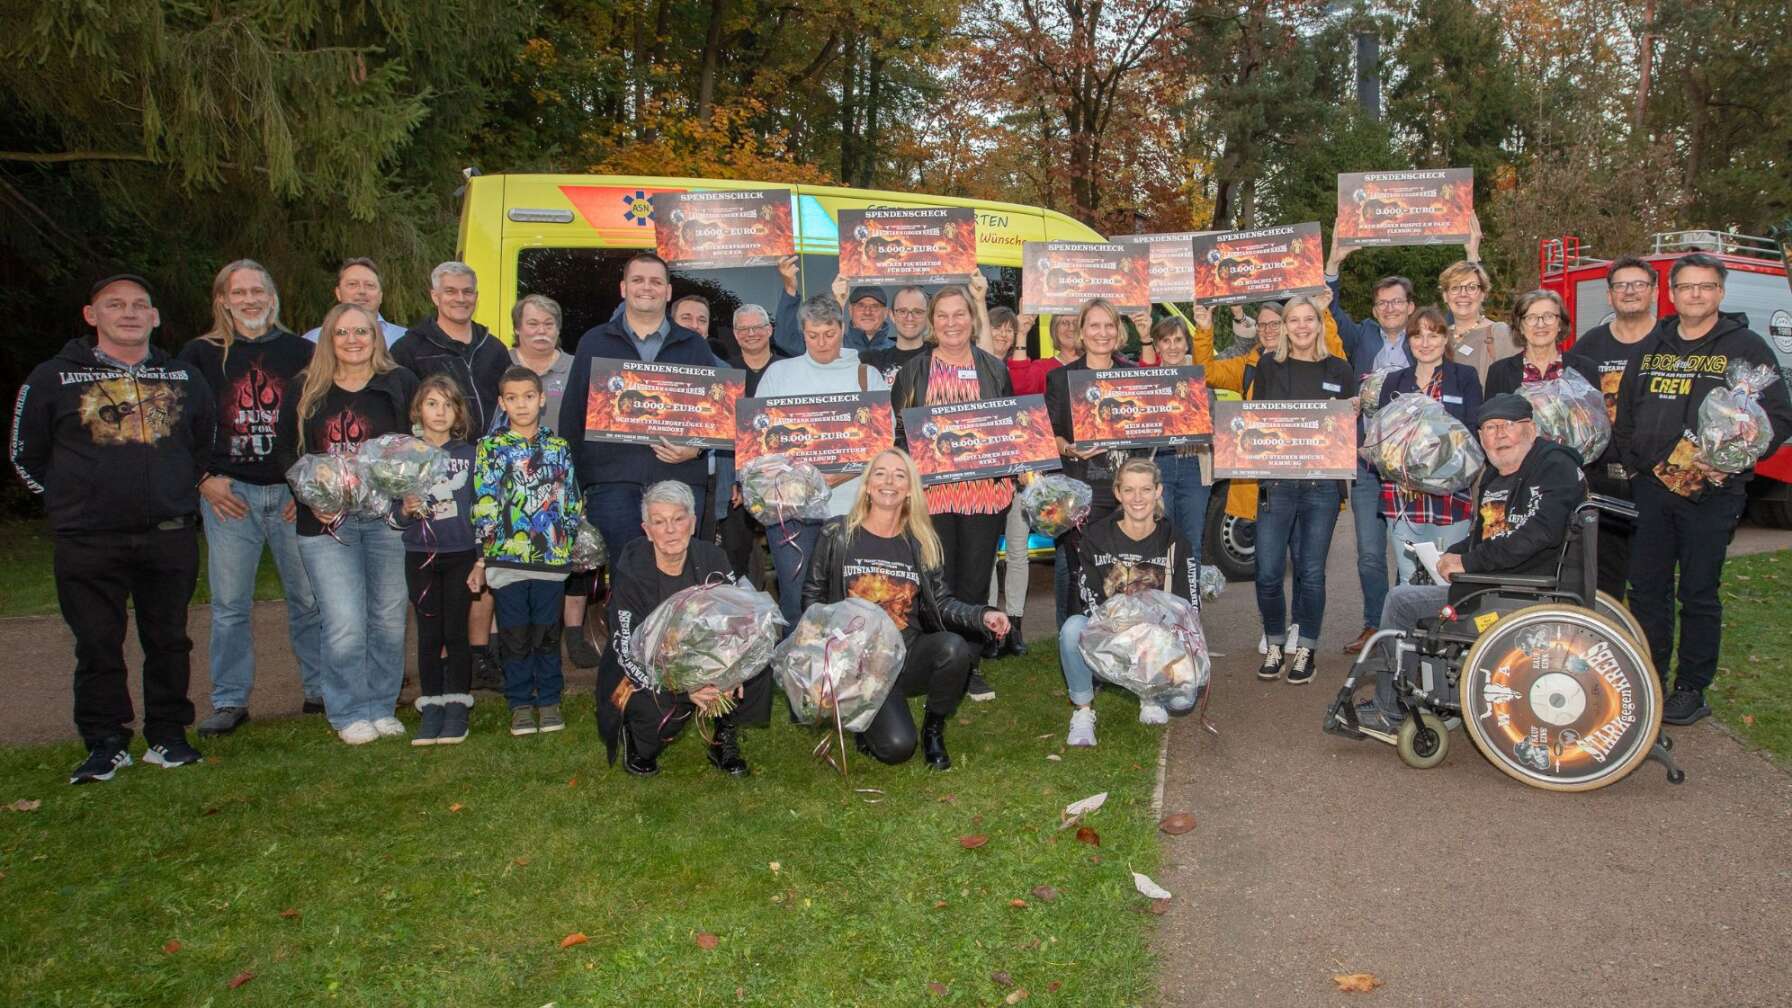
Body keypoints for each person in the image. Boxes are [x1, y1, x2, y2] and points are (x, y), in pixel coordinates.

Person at [11, 274, 217, 782]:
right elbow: (25, 454)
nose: (128, 313)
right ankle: (105, 741)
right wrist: (67, 503)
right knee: (97, 642)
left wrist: (178, 492)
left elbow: (204, 442)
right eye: (115, 305)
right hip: (87, 538)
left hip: (167, 534)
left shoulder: (183, 377)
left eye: (139, 305)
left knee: (169, 639)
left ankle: (168, 735)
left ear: (154, 318)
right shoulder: (52, 378)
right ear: (91, 314)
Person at [1615, 252, 1792, 725]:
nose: (1696, 294)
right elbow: (1627, 411)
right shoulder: (1652, 346)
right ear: (1671, 294)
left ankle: (1691, 687)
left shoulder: (1747, 347)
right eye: (1687, 287)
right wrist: (1638, 467)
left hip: (1714, 493)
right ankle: (1650, 674)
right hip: (1652, 490)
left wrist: (1728, 460)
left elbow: (1776, 416)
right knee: (1648, 588)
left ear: (1720, 292)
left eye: (1706, 286)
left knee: (1697, 592)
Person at [1357, 393, 1588, 731]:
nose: (1498, 435)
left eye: (1507, 426)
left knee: (1402, 602)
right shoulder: (1496, 475)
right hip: (1493, 581)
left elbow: (1540, 535)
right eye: (1489, 429)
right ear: (1480, 438)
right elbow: (1485, 534)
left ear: (1531, 429)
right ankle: (1429, 695)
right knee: (1415, 592)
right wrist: (1456, 553)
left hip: (1524, 591)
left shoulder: (1555, 467)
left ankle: (1389, 710)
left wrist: (1469, 561)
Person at [178, 259, 324, 734]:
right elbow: (178, 424)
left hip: (287, 492)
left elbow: (316, 423)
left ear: (272, 296)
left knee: (307, 598)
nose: (250, 300)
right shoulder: (199, 355)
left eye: (258, 290)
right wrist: (203, 478)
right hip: (229, 494)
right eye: (238, 292)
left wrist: (303, 485)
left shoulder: (301, 351)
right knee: (229, 603)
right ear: (222, 299)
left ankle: (320, 689)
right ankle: (229, 700)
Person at [802, 449, 1009, 769]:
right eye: (880, 473)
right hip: (858, 660)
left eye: (900, 475)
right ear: (867, 484)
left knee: (954, 648)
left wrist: (982, 615)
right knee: (897, 748)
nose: (889, 481)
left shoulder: (921, 541)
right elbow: (813, 598)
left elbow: (941, 602)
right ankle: (862, 716)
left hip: (906, 654)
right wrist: (822, 656)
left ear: (910, 489)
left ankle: (934, 729)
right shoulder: (837, 533)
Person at [276, 302, 418, 745]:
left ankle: (380, 704)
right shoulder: (305, 390)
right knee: (343, 621)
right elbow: (286, 454)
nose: (353, 340)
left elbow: (413, 447)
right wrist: (311, 496)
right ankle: (347, 710)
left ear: (376, 337)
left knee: (389, 618)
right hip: (326, 524)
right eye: (343, 333)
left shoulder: (398, 383)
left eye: (363, 332)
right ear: (327, 339)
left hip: (385, 520)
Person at [597, 481, 771, 777]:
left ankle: (723, 737)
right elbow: (627, 650)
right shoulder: (631, 567)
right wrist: (686, 688)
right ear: (647, 529)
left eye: (678, 519)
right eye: (659, 522)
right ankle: (639, 738)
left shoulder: (712, 558)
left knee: (758, 669)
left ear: (692, 524)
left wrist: (733, 671)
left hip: (703, 657)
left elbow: (738, 623)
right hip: (645, 663)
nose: (670, 530)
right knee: (655, 710)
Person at [891, 277, 1012, 700]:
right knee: (938, 584)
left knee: (976, 582)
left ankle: (971, 665)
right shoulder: (913, 371)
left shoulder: (994, 368)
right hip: (934, 497)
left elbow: (1008, 427)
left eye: (959, 313)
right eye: (942, 315)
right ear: (931, 323)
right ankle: (944, 660)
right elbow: (901, 435)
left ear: (971, 319)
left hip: (983, 495)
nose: (951, 322)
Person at [561, 252, 722, 560]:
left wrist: (696, 449)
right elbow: (572, 417)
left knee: (678, 578)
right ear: (623, 288)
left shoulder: (694, 344)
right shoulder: (594, 342)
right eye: (637, 280)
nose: (646, 288)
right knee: (625, 575)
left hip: (679, 481)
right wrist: (574, 488)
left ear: (668, 291)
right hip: (611, 485)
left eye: (655, 281)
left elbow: (715, 415)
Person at [755, 295, 890, 627]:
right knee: (796, 593)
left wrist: (836, 478)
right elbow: (758, 440)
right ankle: (796, 669)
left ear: (842, 329)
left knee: (850, 593)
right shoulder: (778, 374)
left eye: (829, 334)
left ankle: (849, 667)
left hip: (850, 506)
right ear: (802, 332)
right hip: (792, 511)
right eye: (813, 335)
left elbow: (881, 443)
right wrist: (802, 479)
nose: (821, 343)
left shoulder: (866, 375)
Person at [469, 367, 584, 737]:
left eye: (528, 396)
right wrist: (482, 555)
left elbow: (571, 500)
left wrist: (570, 539)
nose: (522, 404)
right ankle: (520, 702)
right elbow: (484, 501)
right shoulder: (489, 447)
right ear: (502, 403)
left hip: (551, 559)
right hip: (506, 559)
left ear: (541, 398)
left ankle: (549, 699)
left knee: (547, 633)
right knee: (516, 634)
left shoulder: (558, 447)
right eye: (513, 398)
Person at [1250, 295, 1358, 685]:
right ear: (1284, 326)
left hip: (1322, 487)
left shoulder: (1341, 369)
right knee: (1267, 571)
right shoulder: (1268, 366)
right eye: (1292, 320)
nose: (1300, 326)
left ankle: (1307, 647)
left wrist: (1352, 412)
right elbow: (1254, 422)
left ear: (1319, 323)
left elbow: (1347, 430)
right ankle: (1276, 641)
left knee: (1311, 572)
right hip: (1276, 484)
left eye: (1307, 319)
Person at [1059, 459, 1204, 746]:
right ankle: (1083, 712)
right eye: (1129, 490)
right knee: (1071, 629)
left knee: (1183, 700)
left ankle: (1150, 695)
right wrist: (1121, 624)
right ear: (1117, 493)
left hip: (1155, 638)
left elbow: (1188, 606)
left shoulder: (1175, 541)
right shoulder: (1095, 536)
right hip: (1110, 634)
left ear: (1158, 491)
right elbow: (1087, 596)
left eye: (1146, 490)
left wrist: (1182, 653)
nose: (1138, 499)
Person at [1325, 239, 1418, 656]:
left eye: (1397, 302)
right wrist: (1334, 262)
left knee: (1412, 552)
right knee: (1369, 554)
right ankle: (1373, 626)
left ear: (1411, 306)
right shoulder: (1361, 336)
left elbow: (1463, 313)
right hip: (1366, 464)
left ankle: (1405, 627)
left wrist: (1472, 251)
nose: (1389, 308)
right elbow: (1330, 306)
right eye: (1382, 303)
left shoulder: (1426, 338)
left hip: (1414, 465)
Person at [509, 293, 596, 668]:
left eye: (548, 324)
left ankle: (574, 636)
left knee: (573, 557)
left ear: (558, 330)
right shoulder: (503, 365)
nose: (541, 331)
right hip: (513, 484)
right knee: (513, 561)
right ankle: (511, 640)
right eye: (533, 323)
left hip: (568, 479)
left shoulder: (578, 367)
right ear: (517, 329)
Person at [1570, 256, 1658, 598]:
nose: (1630, 291)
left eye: (1638, 284)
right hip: (1600, 476)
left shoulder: (1668, 343)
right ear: (1610, 296)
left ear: (1653, 291)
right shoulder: (1590, 345)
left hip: (1652, 477)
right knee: (1602, 578)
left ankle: (1647, 648)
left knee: (1651, 577)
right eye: (1621, 285)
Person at [396, 377, 478, 745]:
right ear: (419, 410)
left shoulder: (471, 455)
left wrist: (481, 559)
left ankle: (458, 703)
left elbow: (484, 509)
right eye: (432, 403)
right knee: (429, 633)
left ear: (457, 412)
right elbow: (391, 514)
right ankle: (431, 704)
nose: (440, 411)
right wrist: (405, 509)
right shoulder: (404, 454)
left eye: (447, 404)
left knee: (456, 631)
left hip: (461, 554)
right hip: (421, 554)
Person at [1375, 307, 1483, 585]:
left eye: (1433, 335)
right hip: (1404, 497)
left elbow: (1472, 433)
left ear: (1446, 339)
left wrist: (1437, 461)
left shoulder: (1465, 376)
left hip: (1451, 496)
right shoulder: (1395, 381)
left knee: (1448, 578)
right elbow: (1384, 438)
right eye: (1417, 335)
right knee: (1409, 578)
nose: (1425, 343)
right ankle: (1409, 630)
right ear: (1408, 341)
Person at [1045, 299, 1136, 626]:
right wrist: (1069, 449)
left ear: (1118, 331)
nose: (1102, 333)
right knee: (1081, 573)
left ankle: (1118, 651)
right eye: (1094, 326)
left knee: (1123, 572)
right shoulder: (1060, 378)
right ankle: (1079, 654)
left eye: (1109, 325)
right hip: (1081, 489)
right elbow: (1049, 434)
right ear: (1081, 332)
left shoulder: (1134, 376)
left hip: (1127, 493)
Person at [715, 303, 791, 579]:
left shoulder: (789, 368)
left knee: (788, 555)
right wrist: (735, 478)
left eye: (757, 327)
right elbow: (722, 430)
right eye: (743, 329)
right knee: (735, 554)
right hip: (739, 481)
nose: (751, 334)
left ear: (769, 330)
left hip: (784, 478)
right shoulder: (726, 373)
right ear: (735, 335)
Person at [390, 262, 510, 436]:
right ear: (435, 296)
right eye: (450, 291)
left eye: (467, 291)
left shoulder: (494, 349)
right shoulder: (408, 349)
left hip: (490, 457)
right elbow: (399, 412)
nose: (460, 299)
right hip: (436, 458)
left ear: (476, 297)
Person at [1139, 316, 1212, 562]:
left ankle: (1190, 601)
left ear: (1187, 344)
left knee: (1192, 543)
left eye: (1178, 340)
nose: (1172, 346)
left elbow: (1213, 420)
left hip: (1195, 466)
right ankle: (1164, 601)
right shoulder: (1146, 381)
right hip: (1159, 465)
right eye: (1166, 340)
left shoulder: (1203, 375)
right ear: (1156, 346)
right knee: (1161, 541)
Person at [981, 306, 1030, 658]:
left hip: (1018, 475)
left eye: (1008, 330)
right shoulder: (971, 371)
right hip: (982, 481)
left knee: (1017, 551)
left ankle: (1015, 625)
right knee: (985, 555)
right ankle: (991, 628)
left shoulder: (1022, 371)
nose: (1002, 335)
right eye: (996, 329)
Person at [1484, 290, 1599, 397]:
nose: (1540, 324)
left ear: (1560, 324)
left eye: (1549, 316)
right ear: (1520, 327)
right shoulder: (1499, 372)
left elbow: (1597, 415)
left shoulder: (1587, 369)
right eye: (1531, 318)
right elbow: (1491, 417)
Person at [1438, 254, 1512, 387]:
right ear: (1445, 295)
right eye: (1455, 287)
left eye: (1471, 287)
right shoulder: (1438, 336)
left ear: (1483, 294)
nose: (1463, 294)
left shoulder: (1500, 333)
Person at [301, 258, 408, 347]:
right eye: (352, 284)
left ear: (381, 296)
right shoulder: (313, 340)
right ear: (338, 293)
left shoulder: (405, 340)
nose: (361, 291)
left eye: (369, 285)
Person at [861, 285, 931, 383]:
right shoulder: (871, 360)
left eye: (917, 312)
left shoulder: (944, 356)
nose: (909, 318)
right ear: (892, 316)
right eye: (902, 311)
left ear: (928, 317)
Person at [829, 277, 898, 352]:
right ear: (850, 310)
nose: (867, 312)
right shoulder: (834, 346)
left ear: (885, 313)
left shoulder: (897, 351)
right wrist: (839, 303)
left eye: (875, 306)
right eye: (861, 305)